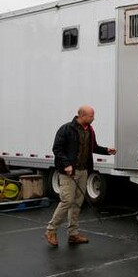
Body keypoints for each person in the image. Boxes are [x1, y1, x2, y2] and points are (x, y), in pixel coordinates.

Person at [44, 105, 116, 247]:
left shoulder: (89, 130)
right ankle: (50, 230)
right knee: (67, 201)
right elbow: (57, 149)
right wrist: (66, 164)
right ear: (82, 116)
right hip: (68, 172)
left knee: (77, 203)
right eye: (91, 116)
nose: (93, 118)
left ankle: (73, 234)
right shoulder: (66, 129)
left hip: (83, 171)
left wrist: (107, 151)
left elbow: (93, 147)